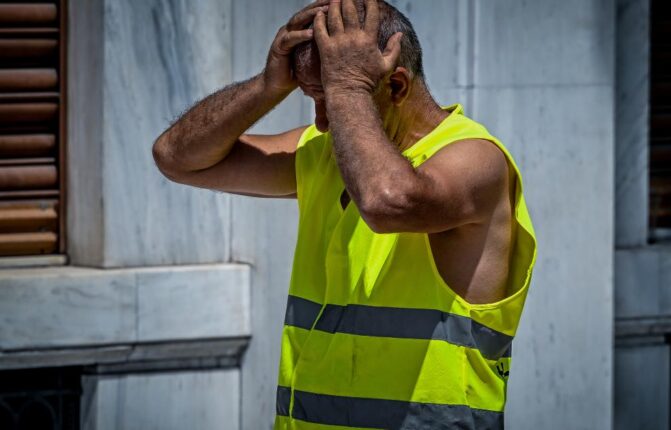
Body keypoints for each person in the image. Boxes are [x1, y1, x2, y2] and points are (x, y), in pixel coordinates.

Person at [153, 0, 537, 428]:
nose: (322, 122)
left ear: (395, 86)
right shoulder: (327, 154)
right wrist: (266, 87)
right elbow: (176, 158)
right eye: (315, 99)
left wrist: (348, 87)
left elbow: (386, 202)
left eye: (330, 102)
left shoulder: (475, 160)